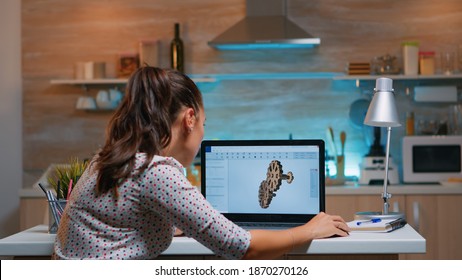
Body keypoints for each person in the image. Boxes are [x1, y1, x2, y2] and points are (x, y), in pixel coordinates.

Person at [53, 66, 350, 260]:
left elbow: (125, 222)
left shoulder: (106, 160)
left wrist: (181, 223)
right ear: (190, 119)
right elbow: (241, 247)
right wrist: (310, 229)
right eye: (204, 123)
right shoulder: (154, 171)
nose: (203, 132)